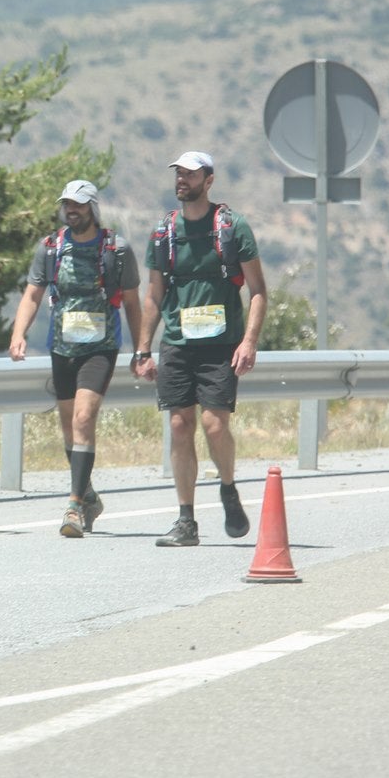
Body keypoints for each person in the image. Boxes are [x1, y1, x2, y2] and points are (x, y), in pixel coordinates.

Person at [134, 150, 267, 547]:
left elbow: (258, 291)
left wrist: (249, 342)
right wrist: (143, 350)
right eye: (178, 173)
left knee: (214, 424)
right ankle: (185, 520)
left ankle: (228, 488)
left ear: (208, 181)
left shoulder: (232, 227)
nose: (181, 180)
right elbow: (154, 295)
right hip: (176, 343)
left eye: (190, 175)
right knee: (179, 425)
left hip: (221, 345)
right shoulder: (164, 232)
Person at [8, 179, 144, 537]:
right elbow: (33, 294)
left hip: (101, 346)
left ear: (92, 208)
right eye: (68, 204)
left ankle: (72, 506)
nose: (72, 210)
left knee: (84, 419)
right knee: (69, 426)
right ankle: (89, 496)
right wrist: (18, 334)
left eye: (79, 205)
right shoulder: (51, 248)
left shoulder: (116, 249)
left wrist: (140, 348)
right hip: (62, 347)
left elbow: (132, 302)